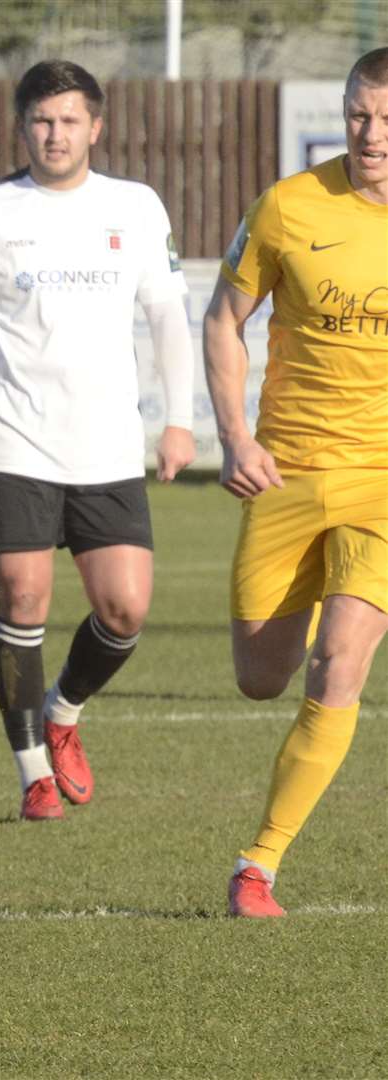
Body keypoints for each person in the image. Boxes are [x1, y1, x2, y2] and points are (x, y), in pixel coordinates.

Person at [0, 60, 196, 822]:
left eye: (68, 121)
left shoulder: (136, 207)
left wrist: (181, 419)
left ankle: (63, 712)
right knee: (22, 597)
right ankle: (32, 774)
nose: (54, 134)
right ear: (21, 126)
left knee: (124, 609)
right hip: (12, 440)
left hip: (107, 447)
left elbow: (166, 317)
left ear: (96, 127)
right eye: (40, 120)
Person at [205, 47, 387, 919]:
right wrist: (235, 437)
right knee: (258, 677)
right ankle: (311, 590)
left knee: (338, 665)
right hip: (285, 471)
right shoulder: (287, 206)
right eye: (360, 115)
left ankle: (258, 867)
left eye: (387, 119)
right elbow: (222, 320)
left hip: (382, 481)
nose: (372, 134)